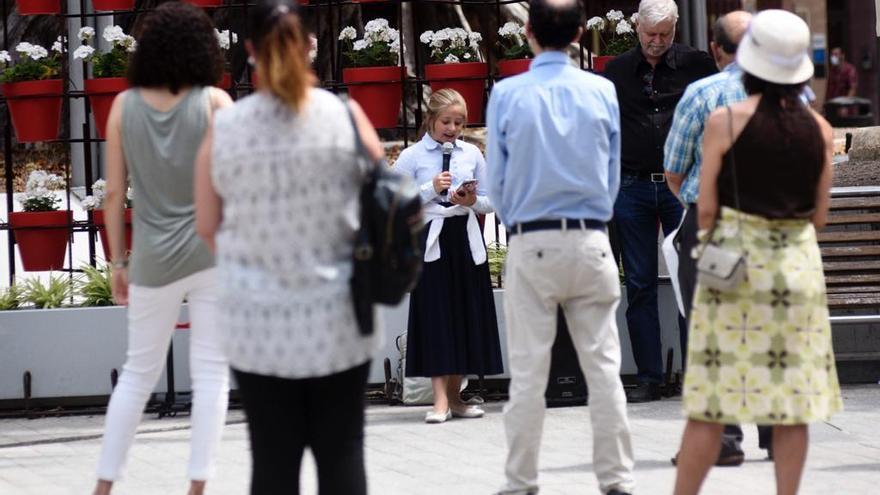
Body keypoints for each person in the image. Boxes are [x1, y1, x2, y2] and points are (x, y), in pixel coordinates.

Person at [194, 0, 383, 493]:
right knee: (343, 457)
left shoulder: (226, 127)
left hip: (258, 326)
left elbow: (208, 225)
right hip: (339, 318)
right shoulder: (345, 115)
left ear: (250, 50)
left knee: (272, 464)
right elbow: (387, 199)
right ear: (308, 47)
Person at [673, 10, 843, 495]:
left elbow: (704, 209)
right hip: (796, 268)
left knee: (711, 401)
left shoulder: (725, 120)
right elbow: (819, 216)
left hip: (734, 267)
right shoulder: (821, 129)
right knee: (793, 404)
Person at [487, 1, 634, 494]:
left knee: (528, 371)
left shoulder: (507, 93)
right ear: (577, 34)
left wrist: (520, 222)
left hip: (534, 237)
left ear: (527, 31)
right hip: (591, 236)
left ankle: (520, 480)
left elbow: (498, 180)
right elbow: (611, 169)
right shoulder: (602, 90)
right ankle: (616, 480)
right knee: (604, 368)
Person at [93, 3, 233, 495]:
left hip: (153, 258)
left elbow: (113, 193)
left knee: (137, 373)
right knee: (212, 373)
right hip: (213, 256)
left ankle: (105, 485)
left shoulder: (123, 107)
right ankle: (198, 485)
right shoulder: (216, 103)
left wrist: (116, 262)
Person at [664, 11, 771, 467]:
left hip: (716, 227)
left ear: (715, 49)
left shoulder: (703, 93)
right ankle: (777, 431)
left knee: (713, 331)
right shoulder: (792, 97)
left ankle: (725, 437)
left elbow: (673, 168)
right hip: (773, 228)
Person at [603, 0, 717, 403]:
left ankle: (696, 376)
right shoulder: (616, 71)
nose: (657, 42)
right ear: (637, 29)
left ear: (675, 30)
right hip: (631, 186)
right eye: (650, 34)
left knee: (693, 281)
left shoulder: (697, 64)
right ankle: (649, 376)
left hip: (682, 186)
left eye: (664, 34)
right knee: (639, 283)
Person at [395, 88, 503, 424]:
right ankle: (439, 399)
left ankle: (456, 396)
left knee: (465, 314)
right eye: (446, 121)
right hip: (431, 238)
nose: (452, 128)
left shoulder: (471, 153)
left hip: (463, 236)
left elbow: (490, 200)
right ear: (431, 119)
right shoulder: (413, 156)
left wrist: (471, 201)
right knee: (436, 315)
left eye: (458, 122)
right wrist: (430, 188)